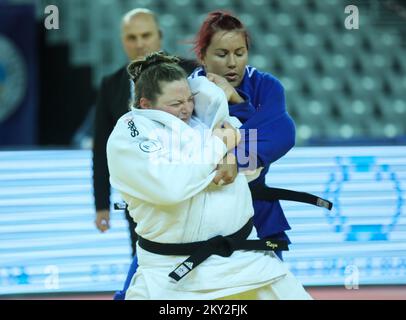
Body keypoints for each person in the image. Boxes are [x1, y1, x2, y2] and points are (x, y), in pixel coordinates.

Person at [106, 52, 311, 299]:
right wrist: (218, 146)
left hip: (246, 262)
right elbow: (170, 186)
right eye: (175, 104)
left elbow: (253, 165)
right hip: (169, 274)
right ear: (145, 104)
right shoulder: (128, 135)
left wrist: (234, 152)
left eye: (189, 99)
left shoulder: (206, 121)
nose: (185, 109)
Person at [189, 11, 296, 258]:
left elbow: (282, 135)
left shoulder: (267, 86)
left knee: (274, 289)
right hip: (203, 206)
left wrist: (234, 157)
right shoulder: (187, 91)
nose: (232, 63)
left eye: (239, 53)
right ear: (202, 56)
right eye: (222, 54)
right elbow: (190, 147)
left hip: (256, 203)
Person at [92, 8, 198, 257]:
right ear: (122, 41)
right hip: (139, 199)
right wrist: (101, 205)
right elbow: (101, 150)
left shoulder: (191, 72)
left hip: (188, 190)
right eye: (131, 37)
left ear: (159, 35)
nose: (139, 44)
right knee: (143, 263)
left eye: (146, 35)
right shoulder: (111, 85)